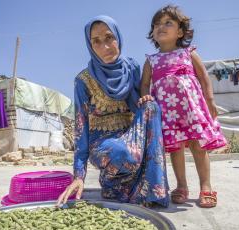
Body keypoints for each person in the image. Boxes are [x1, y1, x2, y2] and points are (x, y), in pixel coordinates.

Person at [56, 15, 169, 207]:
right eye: (96, 42)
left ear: (118, 37)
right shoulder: (83, 80)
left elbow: (137, 104)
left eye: (109, 38)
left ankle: (154, 192)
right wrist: (79, 176)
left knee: (152, 107)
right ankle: (110, 183)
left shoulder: (132, 67)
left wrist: (144, 100)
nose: (105, 47)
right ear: (90, 46)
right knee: (122, 152)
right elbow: (80, 128)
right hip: (103, 144)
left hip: (130, 134)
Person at [139, 5, 227, 208]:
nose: (161, 26)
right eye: (157, 24)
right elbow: (144, 84)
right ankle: (181, 186)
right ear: (153, 32)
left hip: (191, 109)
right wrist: (145, 98)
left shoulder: (189, 53)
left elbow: (204, 77)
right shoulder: (151, 61)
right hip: (168, 112)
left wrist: (210, 100)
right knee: (175, 149)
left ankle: (206, 186)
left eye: (168, 22)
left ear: (180, 31)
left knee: (198, 145)